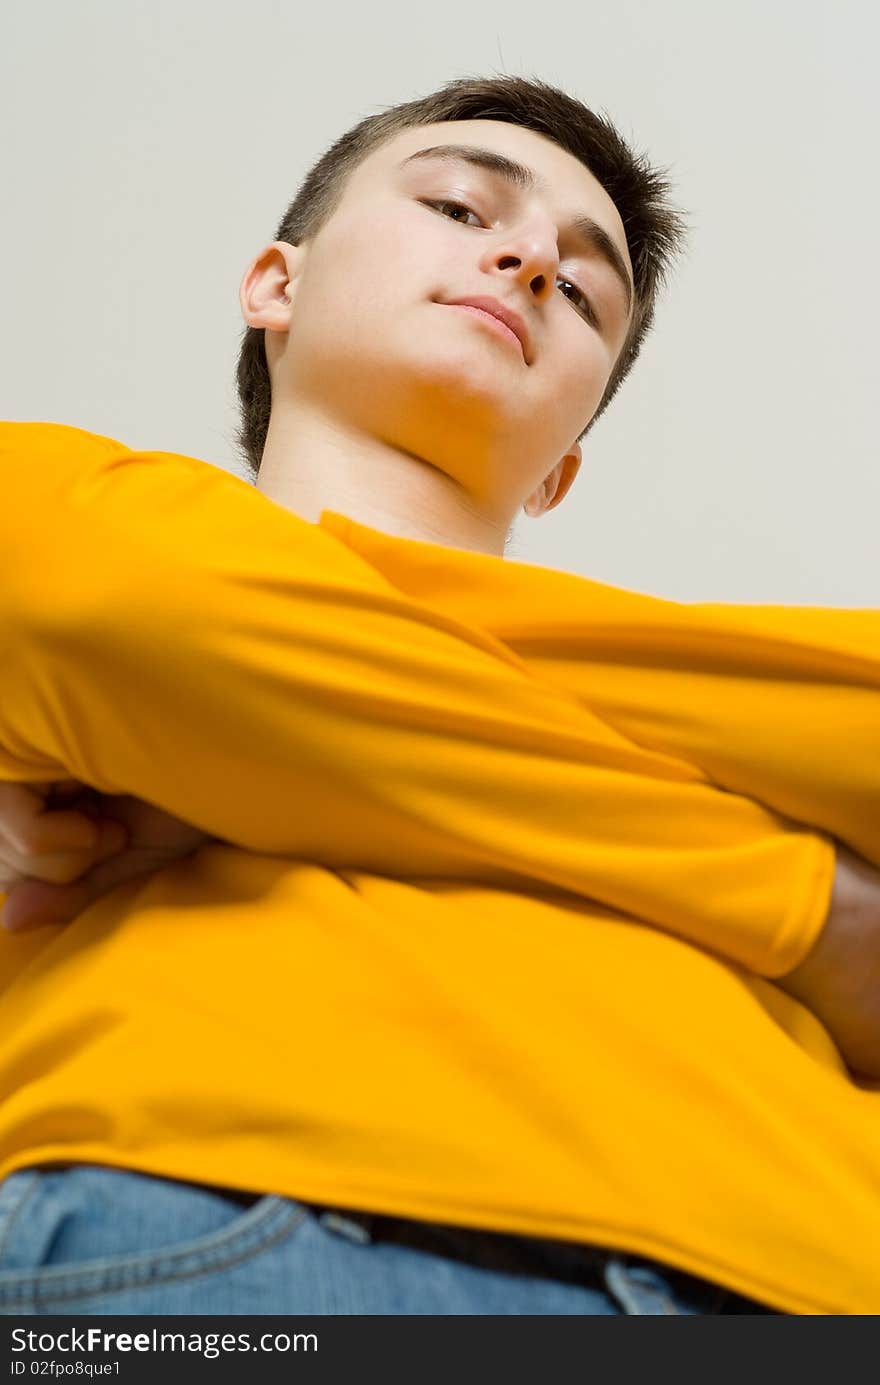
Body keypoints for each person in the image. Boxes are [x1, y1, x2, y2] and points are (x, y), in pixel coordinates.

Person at [0, 73, 878, 1317]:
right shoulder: (54, 500)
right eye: (463, 207)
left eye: (582, 291)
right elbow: (100, 605)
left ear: (559, 470)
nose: (527, 258)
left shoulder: (62, 753)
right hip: (229, 1227)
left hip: (805, 1285)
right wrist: (820, 911)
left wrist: (230, 749)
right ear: (276, 285)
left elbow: (140, 646)